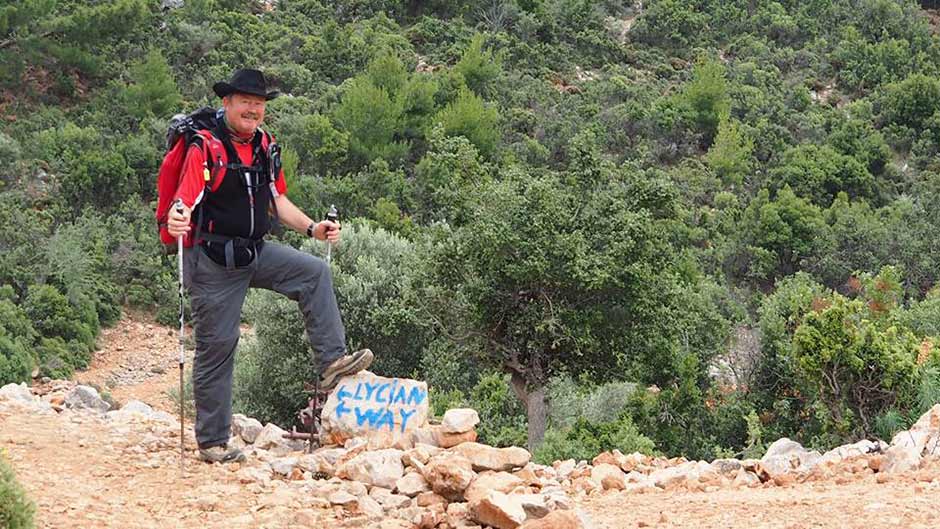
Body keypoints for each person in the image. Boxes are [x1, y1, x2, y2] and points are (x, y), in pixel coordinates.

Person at [166, 69, 373, 463]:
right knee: (218, 347)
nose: (253, 109)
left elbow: (277, 200)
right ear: (227, 103)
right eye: (245, 101)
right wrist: (178, 216)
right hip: (213, 262)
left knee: (314, 273)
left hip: (254, 252)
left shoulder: (265, 145)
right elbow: (185, 198)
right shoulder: (205, 146)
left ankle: (331, 361)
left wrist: (313, 228)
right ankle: (212, 443)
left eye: (259, 103)